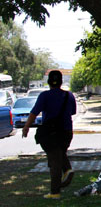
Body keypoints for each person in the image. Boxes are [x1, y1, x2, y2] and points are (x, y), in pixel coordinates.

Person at [22, 70, 77, 199]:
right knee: (59, 154)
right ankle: (67, 170)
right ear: (61, 82)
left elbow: (34, 112)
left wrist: (26, 127)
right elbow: (73, 112)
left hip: (51, 133)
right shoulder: (69, 96)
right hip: (67, 132)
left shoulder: (44, 96)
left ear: (48, 82)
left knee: (54, 161)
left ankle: (55, 192)